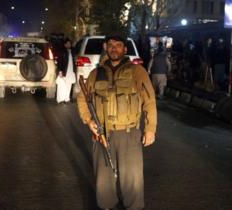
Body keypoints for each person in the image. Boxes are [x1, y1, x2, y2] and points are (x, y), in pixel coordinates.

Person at [77, 34, 157, 210]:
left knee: (132, 179)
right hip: (102, 134)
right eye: (110, 45)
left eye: (118, 45)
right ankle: (107, 206)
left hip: (128, 133)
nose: (114, 48)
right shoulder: (95, 73)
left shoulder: (138, 72)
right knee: (103, 179)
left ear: (125, 49)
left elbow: (149, 101)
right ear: (106, 47)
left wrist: (150, 129)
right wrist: (88, 121)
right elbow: (83, 98)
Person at [56, 38, 76, 103]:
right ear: (65, 44)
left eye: (70, 43)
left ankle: (67, 98)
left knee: (69, 85)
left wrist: (74, 71)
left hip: (71, 71)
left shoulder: (72, 51)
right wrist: (60, 71)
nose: (69, 44)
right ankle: (61, 98)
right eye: (67, 43)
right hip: (64, 71)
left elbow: (74, 61)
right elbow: (60, 62)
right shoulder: (62, 52)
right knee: (63, 85)